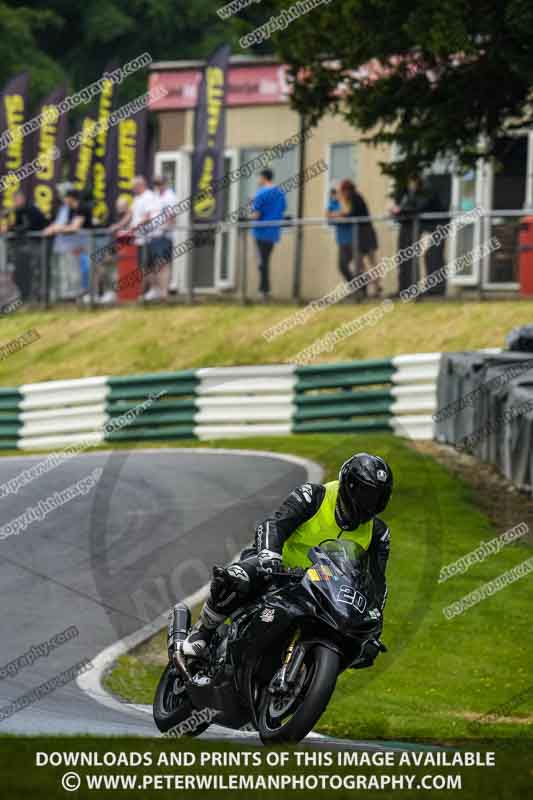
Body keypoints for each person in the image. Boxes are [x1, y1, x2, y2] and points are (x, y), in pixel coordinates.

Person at [182, 453, 393, 667]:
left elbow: (376, 583)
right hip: (278, 569)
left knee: (352, 640)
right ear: (349, 486)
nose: (370, 503)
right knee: (238, 576)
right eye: (367, 495)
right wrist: (270, 556)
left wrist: (374, 626)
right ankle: (203, 632)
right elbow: (275, 525)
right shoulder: (313, 496)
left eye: (378, 497)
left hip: (323, 588)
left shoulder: (378, 533)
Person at [392, 174, 445, 296]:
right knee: (405, 255)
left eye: (411, 183)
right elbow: (407, 207)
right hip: (419, 226)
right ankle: (406, 288)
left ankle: (435, 290)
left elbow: (419, 207)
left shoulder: (427, 189)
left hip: (435, 226)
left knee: (433, 256)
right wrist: (399, 210)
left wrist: (400, 210)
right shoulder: (408, 192)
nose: (410, 186)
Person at [328, 180, 380, 298]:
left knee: (370, 262)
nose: (342, 194)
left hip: (365, 233)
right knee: (361, 264)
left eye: (343, 191)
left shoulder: (356, 198)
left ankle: (375, 287)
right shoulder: (353, 198)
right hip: (361, 233)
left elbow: (351, 214)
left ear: (347, 190)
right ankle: (368, 286)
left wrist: (338, 214)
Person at [43, 189, 92, 298]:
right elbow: (62, 224)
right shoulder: (68, 209)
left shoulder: (81, 207)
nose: (64, 200)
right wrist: (51, 228)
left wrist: (55, 229)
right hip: (74, 245)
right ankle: (75, 295)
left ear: (71, 198)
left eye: (65, 197)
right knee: (72, 270)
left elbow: (74, 228)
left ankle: (93, 294)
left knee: (89, 269)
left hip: (86, 244)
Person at [251, 168, 287, 302]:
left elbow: (256, 214)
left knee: (262, 263)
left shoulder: (261, 193)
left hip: (260, 232)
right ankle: (265, 290)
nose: (257, 180)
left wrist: (250, 214)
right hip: (273, 232)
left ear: (263, 177)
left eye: (259, 177)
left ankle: (264, 291)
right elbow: (282, 209)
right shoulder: (279, 192)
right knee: (265, 261)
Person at [8, 191, 49, 300]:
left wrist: (14, 230)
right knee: (24, 271)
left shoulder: (30, 209)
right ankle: (26, 296)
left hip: (37, 243)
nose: (15, 202)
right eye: (14, 200)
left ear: (22, 199)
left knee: (37, 270)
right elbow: (18, 225)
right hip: (26, 245)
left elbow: (28, 225)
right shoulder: (18, 211)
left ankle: (39, 297)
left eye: (17, 200)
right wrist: (10, 230)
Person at [144, 175, 177, 302]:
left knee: (163, 264)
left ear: (165, 183)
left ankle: (164, 292)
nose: (158, 186)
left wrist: (166, 228)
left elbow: (171, 216)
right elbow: (149, 214)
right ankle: (155, 290)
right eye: (156, 184)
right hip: (152, 235)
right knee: (150, 266)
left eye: (160, 184)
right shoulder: (155, 197)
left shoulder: (170, 197)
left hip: (163, 235)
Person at [128, 175, 158, 299]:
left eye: (134, 187)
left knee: (148, 265)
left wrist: (135, 226)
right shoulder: (137, 198)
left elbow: (148, 215)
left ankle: (153, 289)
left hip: (148, 237)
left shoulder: (149, 197)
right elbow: (130, 214)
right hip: (139, 238)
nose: (132, 189)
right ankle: (146, 291)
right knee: (142, 266)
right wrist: (119, 226)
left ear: (140, 185)